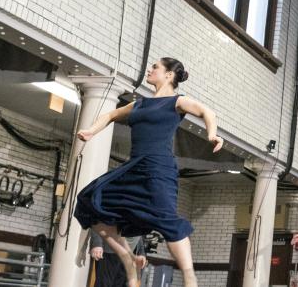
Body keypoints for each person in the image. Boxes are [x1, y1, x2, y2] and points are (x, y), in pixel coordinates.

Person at [75, 57, 222, 287]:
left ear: (169, 75)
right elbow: (110, 115)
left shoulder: (176, 101)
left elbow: (207, 111)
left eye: (155, 67)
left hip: (158, 167)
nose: (149, 70)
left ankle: (189, 277)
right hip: (134, 166)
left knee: (166, 219)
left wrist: (212, 134)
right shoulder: (139, 104)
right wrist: (91, 131)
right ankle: (126, 255)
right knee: (88, 200)